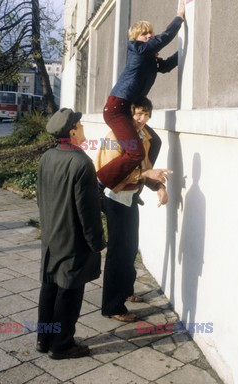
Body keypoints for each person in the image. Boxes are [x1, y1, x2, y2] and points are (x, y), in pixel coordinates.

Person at [36, 108, 105, 359]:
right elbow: (88, 212)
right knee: (69, 292)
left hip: (52, 236)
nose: (84, 129)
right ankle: (62, 344)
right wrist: (97, 242)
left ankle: (44, 339)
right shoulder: (81, 163)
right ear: (73, 131)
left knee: (49, 287)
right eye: (82, 125)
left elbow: (40, 198)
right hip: (73, 240)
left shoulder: (47, 157)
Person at [97, 1, 185, 191]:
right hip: (115, 110)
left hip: (126, 111)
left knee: (155, 141)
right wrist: (179, 18)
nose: (148, 36)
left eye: (149, 33)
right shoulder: (137, 50)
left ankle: (143, 181)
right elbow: (160, 40)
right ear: (135, 38)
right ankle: (99, 183)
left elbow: (167, 65)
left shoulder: (149, 59)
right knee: (135, 152)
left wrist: (185, 49)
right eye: (144, 34)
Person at [96, 97, 168, 322]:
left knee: (130, 248)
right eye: (137, 114)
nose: (142, 119)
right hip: (113, 198)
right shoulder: (112, 139)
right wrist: (145, 175)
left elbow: (146, 168)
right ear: (127, 115)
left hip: (130, 197)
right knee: (117, 254)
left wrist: (160, 187)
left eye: (146, 115)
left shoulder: (144, 137)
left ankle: (126, 291)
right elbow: (110, 176)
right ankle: (112, 306)